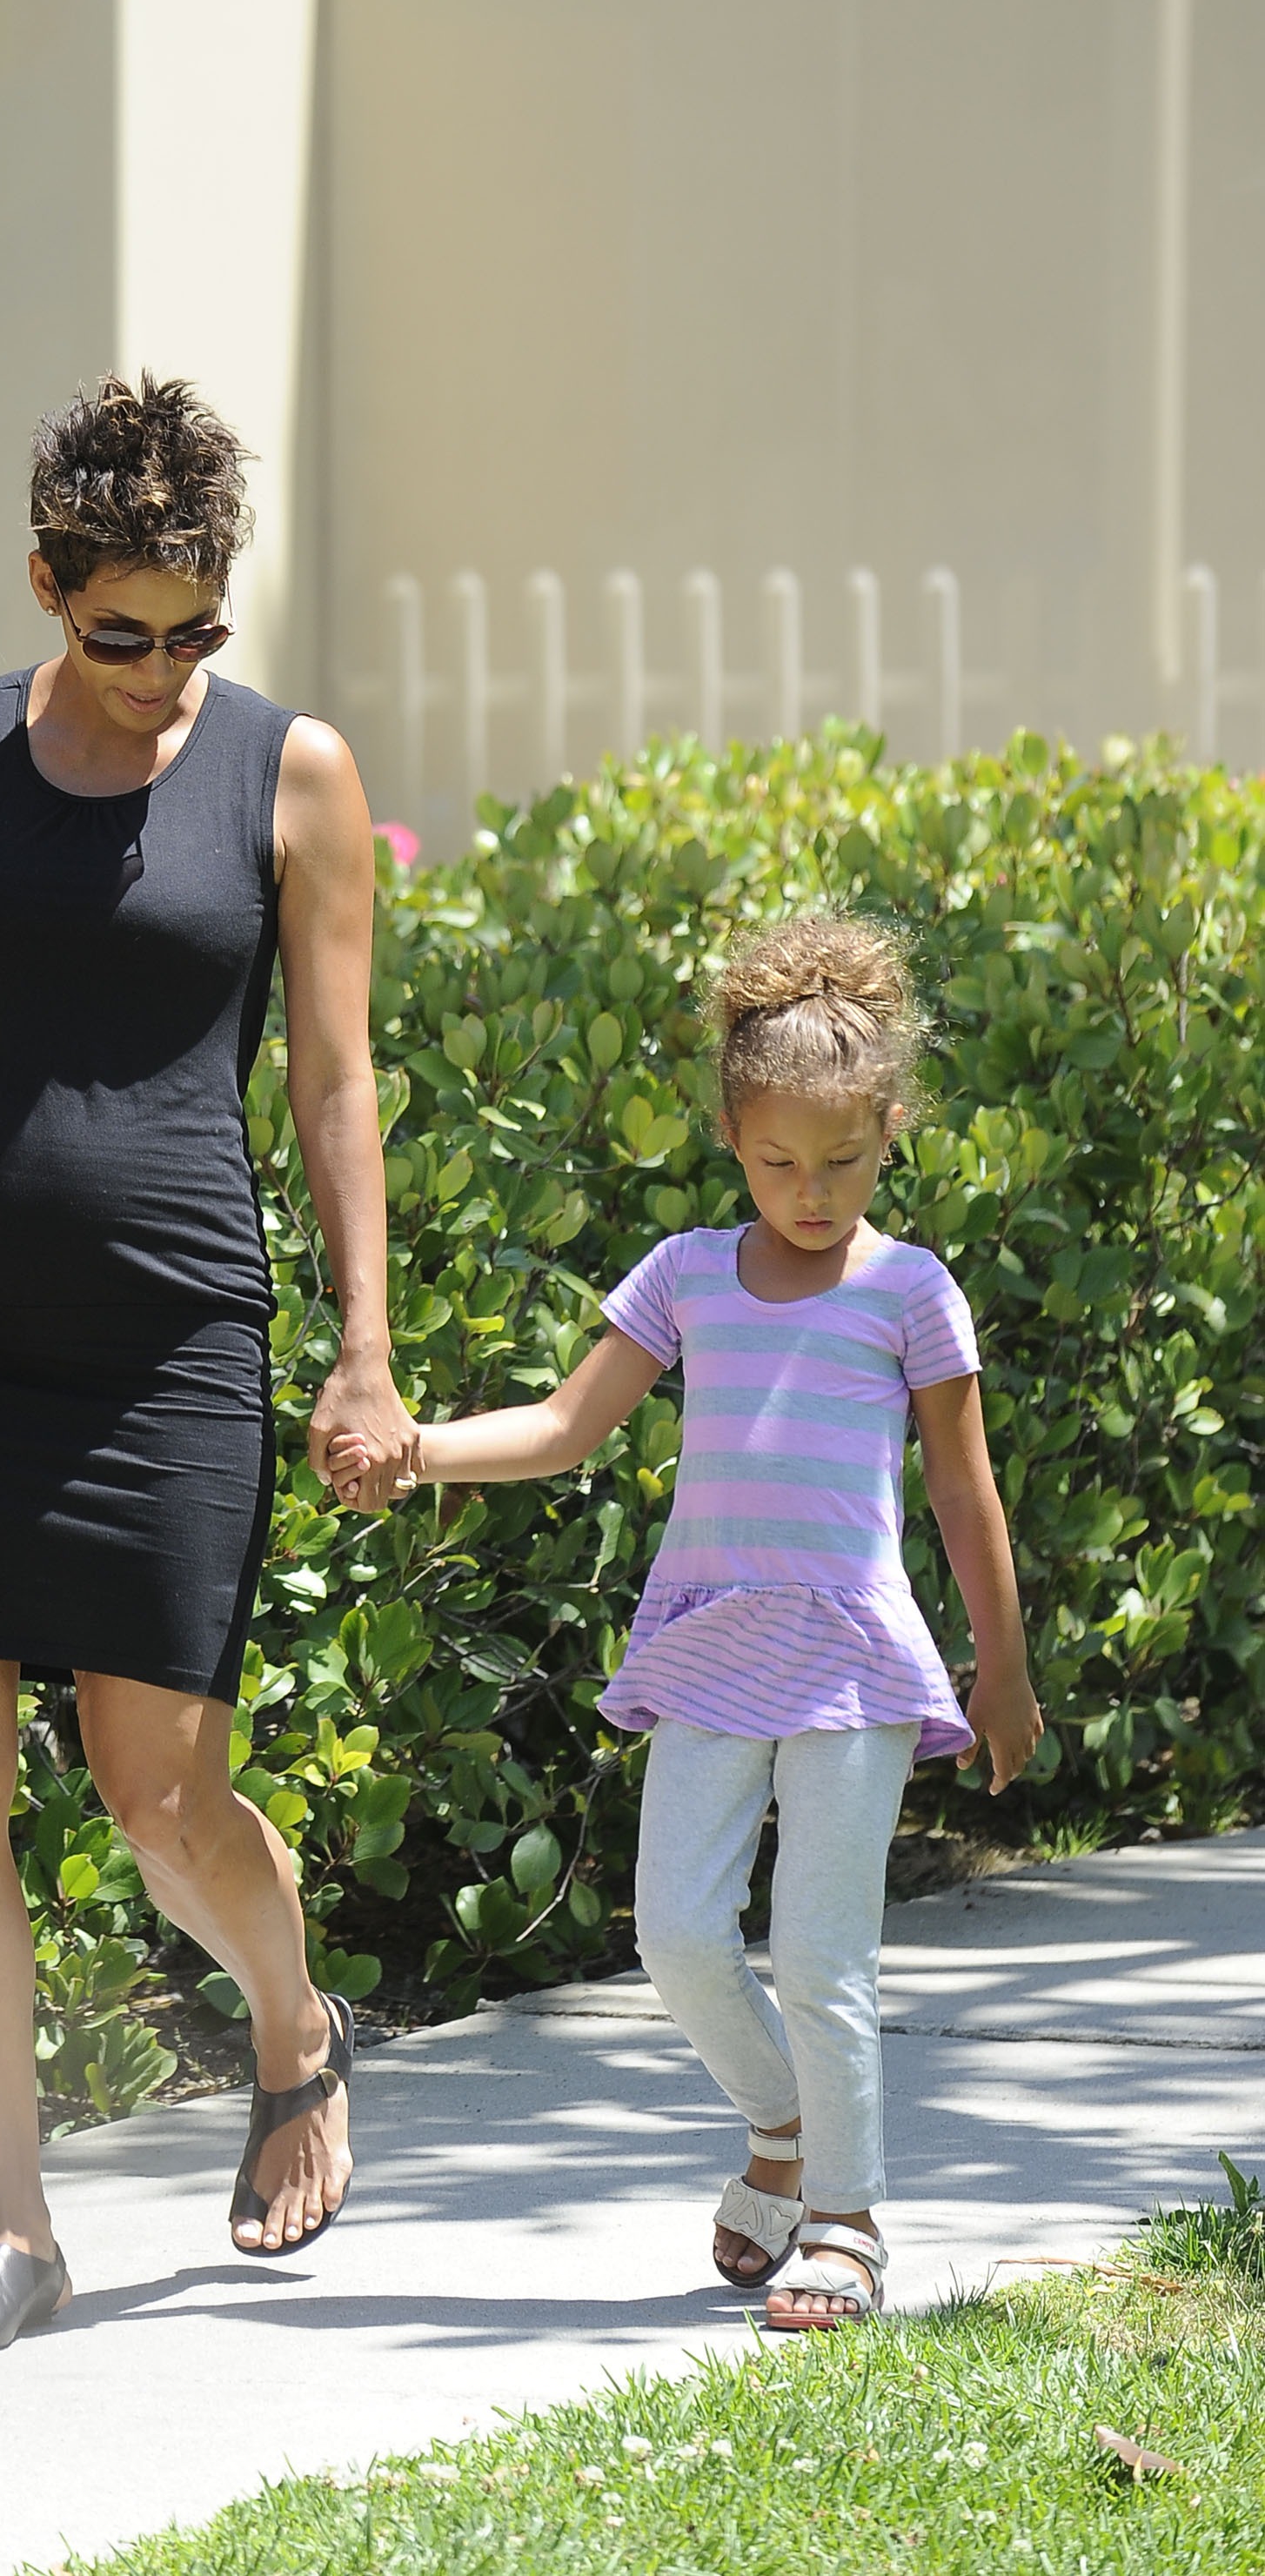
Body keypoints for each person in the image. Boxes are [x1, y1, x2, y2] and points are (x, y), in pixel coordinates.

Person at [0, 374, 415, 2356]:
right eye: (120, 630)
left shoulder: (289, 776)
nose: (159, 669)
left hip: (168, 1348)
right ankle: (18, 2229)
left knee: (156, 1789)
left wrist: (365, 1351)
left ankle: (293, 2022)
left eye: (197, 627)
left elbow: (334, 1081)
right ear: (46, 586)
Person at [327, 913, 1042, 2332]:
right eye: (778, 1162)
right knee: (673, 1935)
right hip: (713, 1641)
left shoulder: (910, 1291)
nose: (810, 1191)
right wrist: (414, 1452)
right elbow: (560, 1425)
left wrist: (1002, 1671)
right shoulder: (687, 1274)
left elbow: (965, 1496)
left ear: (888, 1129)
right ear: (730, 1136)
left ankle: (841, 2218)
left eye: (841, 1160)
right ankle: (778, 2132)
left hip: (849, 1658)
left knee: (824, 1952)